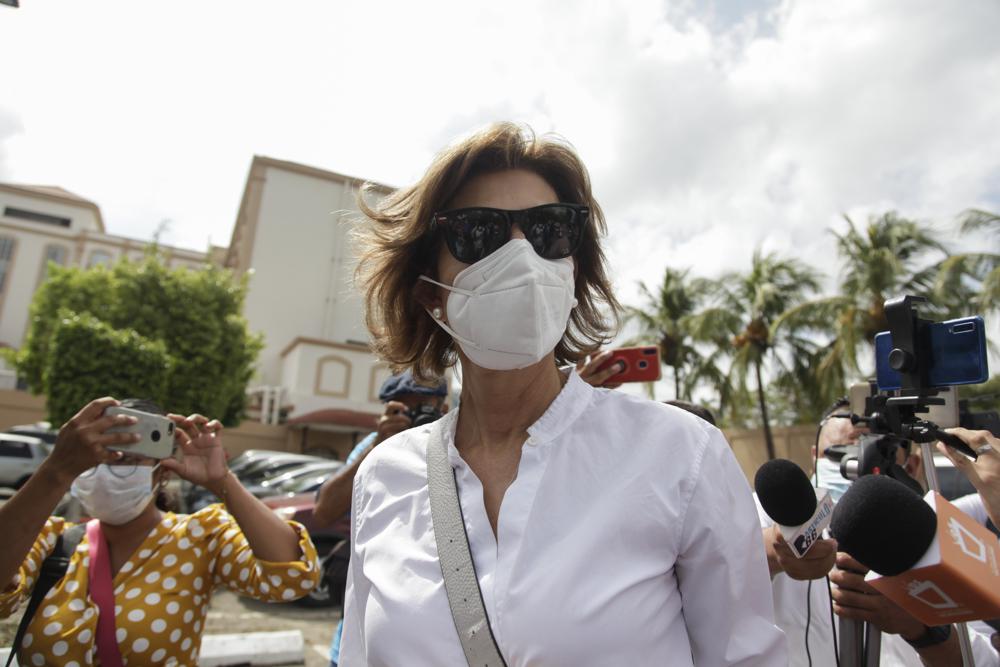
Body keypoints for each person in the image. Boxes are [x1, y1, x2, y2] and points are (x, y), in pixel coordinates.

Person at [338, 122, 785, 665]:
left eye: (550, 230)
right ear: (430, 295)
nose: (523, 256)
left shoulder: (681, 455)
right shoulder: (384, 477)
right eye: (479, 232)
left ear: (574, 272)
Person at [0, 397, 321, 666]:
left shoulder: (200, 535)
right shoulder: (50, 538)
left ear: (162, 472)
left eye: (128, 459)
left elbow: (293, 578)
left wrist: (223, 482)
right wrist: (56, 470)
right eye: (100, 459)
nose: (111, 470)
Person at [763, 410, 1000, 666]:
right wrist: (779, 552)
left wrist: (921, 626)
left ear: (910, 466)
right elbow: (732, 559)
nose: (855, 463)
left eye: (870, 450)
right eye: (840, 451)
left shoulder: (937, 533)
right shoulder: (775, 516)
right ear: (814, 457)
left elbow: (980, 660)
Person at [313, 370, 449, 667]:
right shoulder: (374, 449)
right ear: (386, 411)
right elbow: (323, 512)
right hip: (358, 643)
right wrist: (379, 445)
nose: (416, 418)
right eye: (404, 410)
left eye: (425, 408)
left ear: (445, 409)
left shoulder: (466, 448)